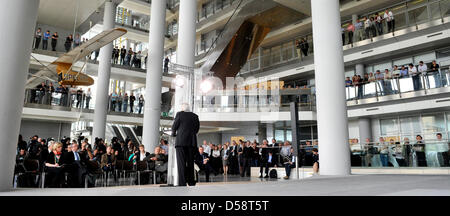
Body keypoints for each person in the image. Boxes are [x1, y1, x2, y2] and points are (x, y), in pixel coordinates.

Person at [171, 103, 200, 186]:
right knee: (190, 162)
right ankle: (191, 181)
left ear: (182, 109)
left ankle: (182, 182)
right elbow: (197, 129)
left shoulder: (179, 114)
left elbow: (174, 126)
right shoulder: (195, 116)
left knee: (181, 163)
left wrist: (173, 133)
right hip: (191, 142)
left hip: (181, 142)